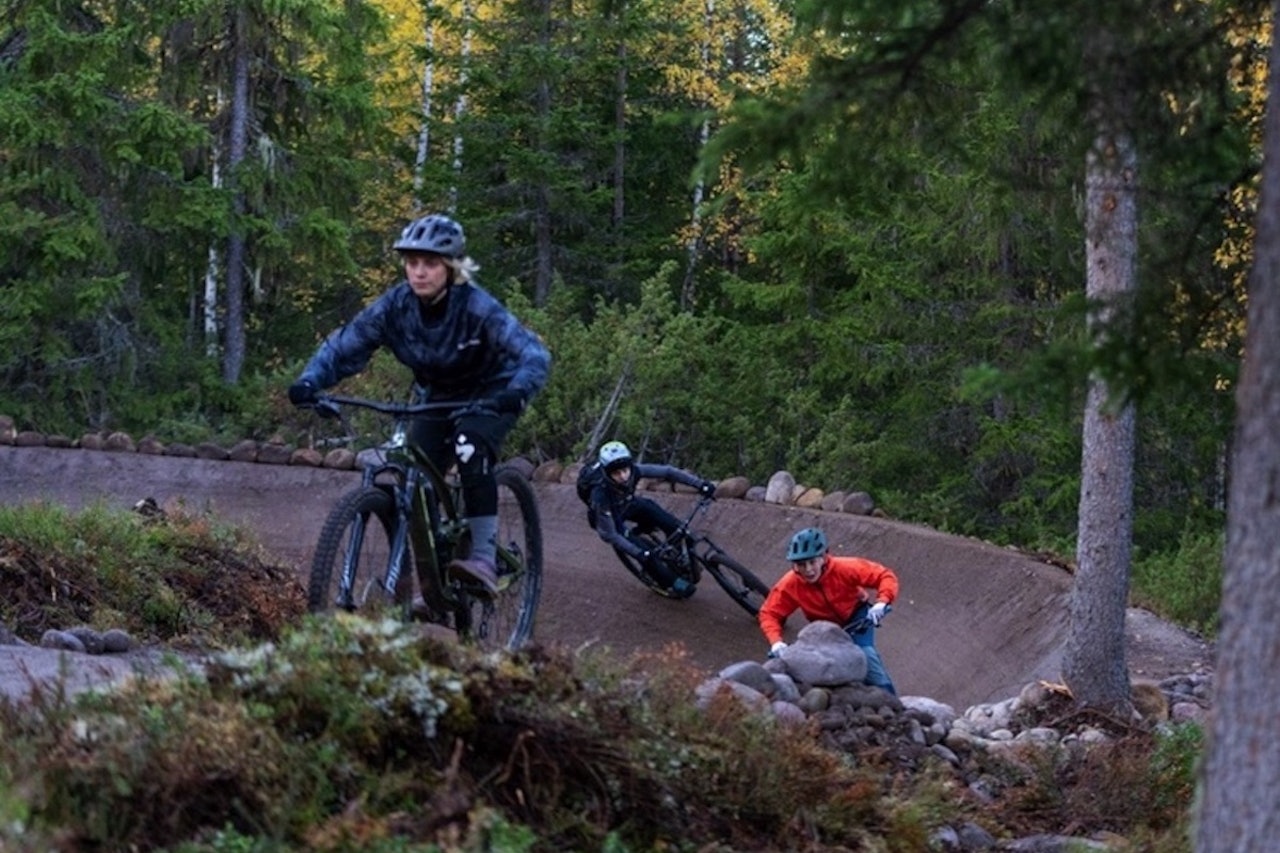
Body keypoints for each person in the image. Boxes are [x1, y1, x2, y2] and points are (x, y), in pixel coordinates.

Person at [288, 213, 551, 596]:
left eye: (430, 263)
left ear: (451, 267)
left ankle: (483, 556)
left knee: (469, 444)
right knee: (411, 472)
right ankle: (429, 582)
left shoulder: (475, 306)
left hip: (494, 390)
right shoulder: (395, 306)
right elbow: (346, 344)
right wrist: (310, 380)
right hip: (439, 396)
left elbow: (533, 353)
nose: (419, 272)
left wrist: (517, 390)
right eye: (412, 263)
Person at [758, 527, 900, 694]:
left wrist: (882, 602)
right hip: (823, 628)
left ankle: (890, 698)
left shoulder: (845, 568)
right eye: (801, 564)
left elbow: (884, 576)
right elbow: (769, 613)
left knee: (866, 655)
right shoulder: (791, 584)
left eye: (812, 562)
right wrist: (776, 642)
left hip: (856, 617)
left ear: (823, 557)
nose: (808, 570)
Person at [581, 440, 717, 598]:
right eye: (616, 473)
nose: (623, 476)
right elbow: (609, 534)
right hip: (611, 516)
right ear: (607, 473)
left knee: (677, 528)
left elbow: (668, 472)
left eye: (625, 470)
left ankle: (679, 558)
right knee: (646, 555)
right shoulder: (599, 495)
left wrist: (700, 484)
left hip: (629, 503)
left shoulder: (635, 470)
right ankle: (670, 582)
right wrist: (638, 553)